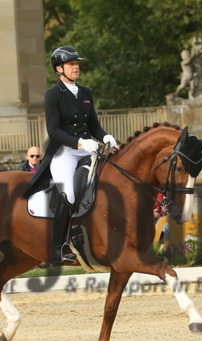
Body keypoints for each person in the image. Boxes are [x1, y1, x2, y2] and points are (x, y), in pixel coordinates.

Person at [23, 46, 118, 266]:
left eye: (77, 64)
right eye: (71, 64)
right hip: (64, 152)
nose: (76, 67)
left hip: (88, 150)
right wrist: (78, 141)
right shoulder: (53, 95)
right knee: (70, 195)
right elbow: (54, 130)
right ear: (59, 69)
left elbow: (94, 125)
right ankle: (57, 249)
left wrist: (106, 137)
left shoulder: (85, 93)